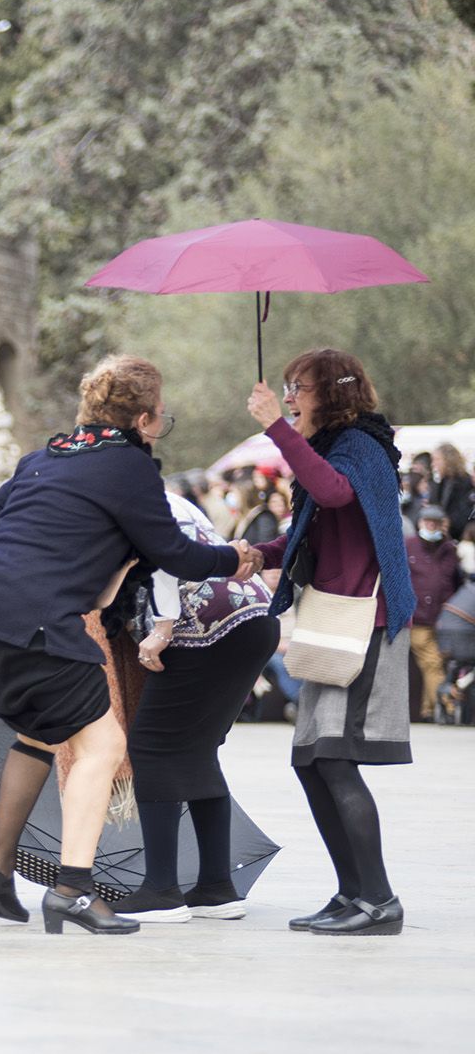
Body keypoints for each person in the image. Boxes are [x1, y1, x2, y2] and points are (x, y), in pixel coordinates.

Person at [0, 355, 255, 935]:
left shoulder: (42, 459)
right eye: (161, 420)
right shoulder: (128, 469)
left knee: (37, 733)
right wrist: (233, 560)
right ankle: (72, 888)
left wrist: (58, 565)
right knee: (105, 745)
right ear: (144, 420)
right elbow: (176, 553)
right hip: (37, 622)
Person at [245, 348, 414, 936]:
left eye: (299, 388)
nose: (289, 398)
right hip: (335, 621)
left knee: (334, 760)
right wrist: (254, 555)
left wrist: (273, 428)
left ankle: (381, 902)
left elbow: (337, 494)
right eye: (286, 388)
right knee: (313, 763)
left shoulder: (361, 447)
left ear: (333, 394)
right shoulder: (327, 450)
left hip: (365, 622)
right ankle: (353, 894)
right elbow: (311, 526)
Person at [109, 491, 280, 923]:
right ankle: (217, 888)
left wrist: (163, 626)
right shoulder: (166, 495)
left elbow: (168, 559)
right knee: (198, 749)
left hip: (204, 620)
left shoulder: (120, 498)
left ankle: (162, 890)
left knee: (151, 745)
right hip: (257, 612)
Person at [404, 504, 460, 721]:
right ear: (420, 523)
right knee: (432, 662)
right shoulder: (409, 545)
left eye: (435, 523)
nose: (431, 526)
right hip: (417, 616)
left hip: (442, 618)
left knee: (435, 662)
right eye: (428, 522)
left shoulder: (448, 550)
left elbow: (454, 582)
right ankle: (446, 705)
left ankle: (428, 710)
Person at [429, 444, 472, 541]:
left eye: (437, 459)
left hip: (460, 535)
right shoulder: (440, 482)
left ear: (448, 460)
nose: (433, 464)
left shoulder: (464, 481)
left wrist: (449, 522)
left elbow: (465, 510)